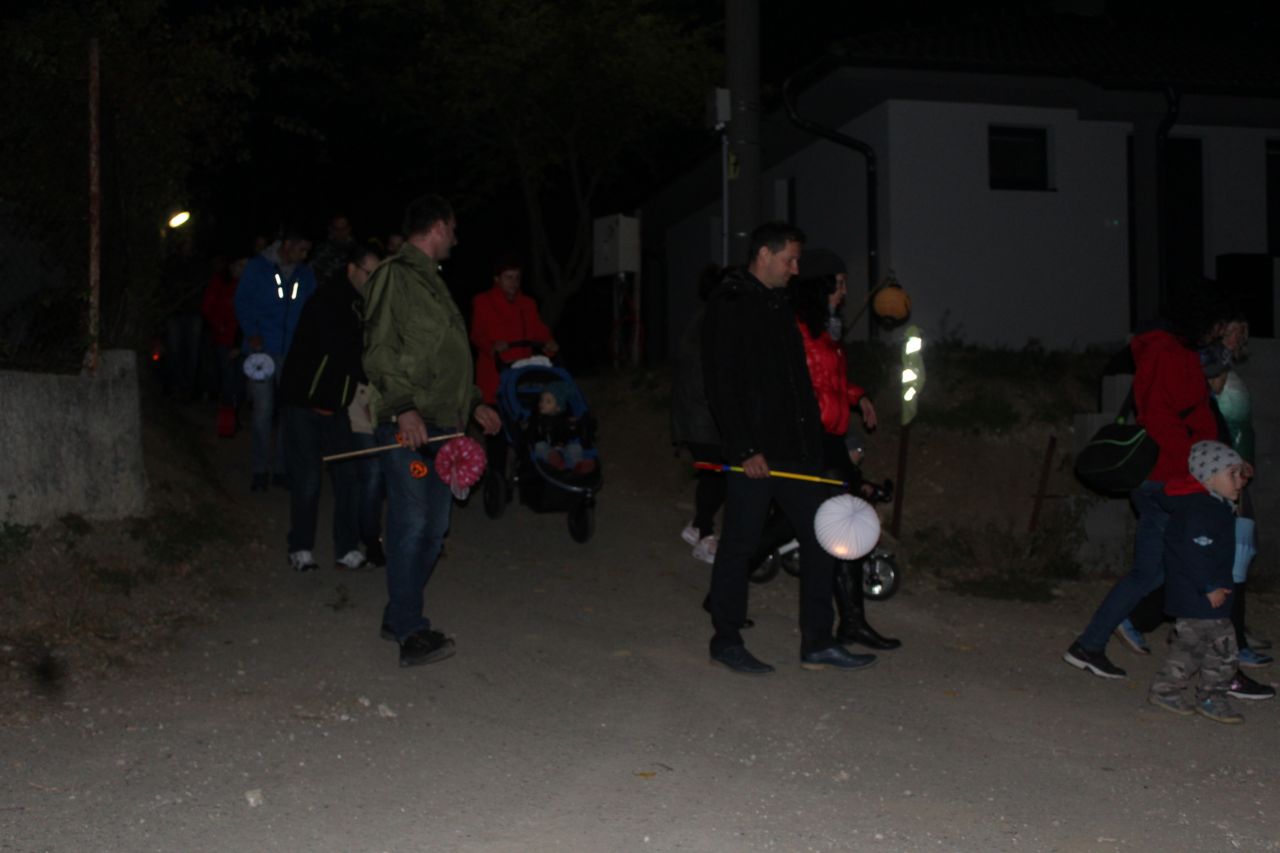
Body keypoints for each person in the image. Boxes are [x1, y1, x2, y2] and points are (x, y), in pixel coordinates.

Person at [701, 221, 875, 675]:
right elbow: (722, 383)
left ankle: (817, 642)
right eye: (790, 259)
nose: (796, 269)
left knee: (822, 539)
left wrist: (813, 448)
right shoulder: (732, 303)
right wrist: (745, 449)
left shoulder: (779, 304)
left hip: (794, 452)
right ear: (763, 254)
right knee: (740, 544)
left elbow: (799, 385)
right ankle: (725, 639)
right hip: (756, 453)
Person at [363, 194, 501, 668]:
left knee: (435, 527)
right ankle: (409, 630)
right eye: (453, 230)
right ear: (438, 226)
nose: (456, 240)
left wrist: (475, 403)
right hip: (409, 426)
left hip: (444, 427)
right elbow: (380, 347)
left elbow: (446, 359)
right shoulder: (394, 276)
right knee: (413, 522)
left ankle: (396, 614)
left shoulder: (434, 284)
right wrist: (402, 409)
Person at [1063, 292, 1229, 679]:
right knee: (1183, 565)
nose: (1219, 332)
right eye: (1216, 324)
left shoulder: (1175, 351)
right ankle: (1215, 664)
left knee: (1155, 571)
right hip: (1168, 479)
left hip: (1172, 476)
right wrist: (1197, 465)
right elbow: (1160, 417)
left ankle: (1091, 644)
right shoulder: (1167, 352)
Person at [788, 258, 898, 651]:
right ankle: (731, 580)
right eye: (838, 283)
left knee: (840, 523)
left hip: (831, 437)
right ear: (818, 286)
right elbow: (802, 384)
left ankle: (852, 622)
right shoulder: (799, 327)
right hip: (810, 438)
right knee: (825, 526)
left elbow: (832, 383)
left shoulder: (828, 328)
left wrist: (859, 396)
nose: (845, 291)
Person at [277, 244, 380, 573]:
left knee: (347, 477)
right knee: (308, 479)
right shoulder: (328, 301)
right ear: (352, 269)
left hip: (337, 406)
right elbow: (346, 354)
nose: (374, 281)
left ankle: (346, 548)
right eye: (369, 273)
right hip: (303, 403)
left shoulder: (363, 305)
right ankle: (300, 547)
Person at [1147, 440, 1248, 723]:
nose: (1240, 480)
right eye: (1232, 473)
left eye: (1240, 473)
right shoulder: (1200, 510)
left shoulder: (1215, 507)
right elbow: (1193, 553)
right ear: (1210, 478)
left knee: (1212, 648)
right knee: (1203, 649)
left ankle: (1205, 695)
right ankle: (1176, 692)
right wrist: (1209, 586)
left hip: (1206, 595)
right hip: (1197, 595)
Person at [234, 226, 318, 491]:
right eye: (301, 250)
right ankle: (260, 469)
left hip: (292, 353)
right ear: (287, 245)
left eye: (307, 251)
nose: (304, 256)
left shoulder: (306, 274)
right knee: (262, 411)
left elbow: (312, 310)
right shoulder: (258, 268)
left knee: (287, 413)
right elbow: (242, 301)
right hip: (262, 353)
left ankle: (282, 468)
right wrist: (252, 333)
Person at [671, 264, 726, 564]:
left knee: (721, 474)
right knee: (716, 473)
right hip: (701, 416)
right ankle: (705, 534)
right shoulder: (709, 322)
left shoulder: (709, 319)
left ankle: (697, 525)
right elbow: (702, 376)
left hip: (703, 414)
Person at [201, 254, 241, 436]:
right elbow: (208, 307)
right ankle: (226, 422)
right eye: (239, 265)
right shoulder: (219, 282)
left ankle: (234, 415)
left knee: (238, 380)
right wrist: (220, 326)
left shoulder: (246, 283)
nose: (241, 269)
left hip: (242, 339)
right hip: (224, 338)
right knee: (227, 379)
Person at [530, 382, 594, 474]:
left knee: (575, 448)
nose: (542, 404)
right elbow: (534, 435)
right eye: (541, 400)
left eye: (548, 402)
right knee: (539, 446)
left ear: (558, 408)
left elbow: (571, 435)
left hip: (564, 448)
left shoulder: (565, 419)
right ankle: (554, 460)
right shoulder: (538, 419)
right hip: (549, 449)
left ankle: (577, 465)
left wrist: (574, 427)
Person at [308, 214, 357, 286]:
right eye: (336, 229)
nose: (340, 232)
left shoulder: (358, 250)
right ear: (330, 229)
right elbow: (311, 272)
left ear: (349, 228)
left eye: (343, 229)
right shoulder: (320, 249)